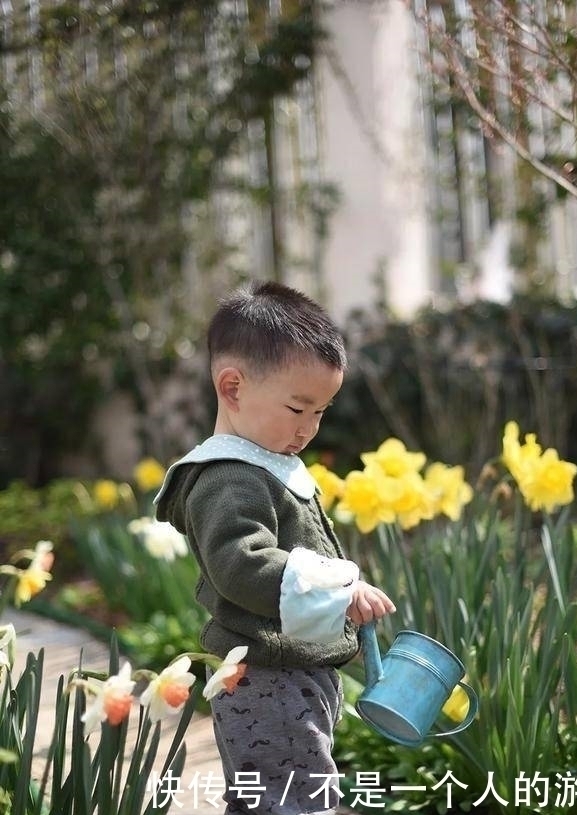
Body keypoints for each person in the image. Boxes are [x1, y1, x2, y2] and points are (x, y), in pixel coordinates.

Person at [154, 280, 395, 815]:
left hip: (289, 673)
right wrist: (341, 588)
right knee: (295, 803)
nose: (309, 428)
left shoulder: (265, 464)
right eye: (297, 407)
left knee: (273, 799)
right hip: (265, 677)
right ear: (233, 388)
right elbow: (242, 563)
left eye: (321, 412)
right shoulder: (229, 478)